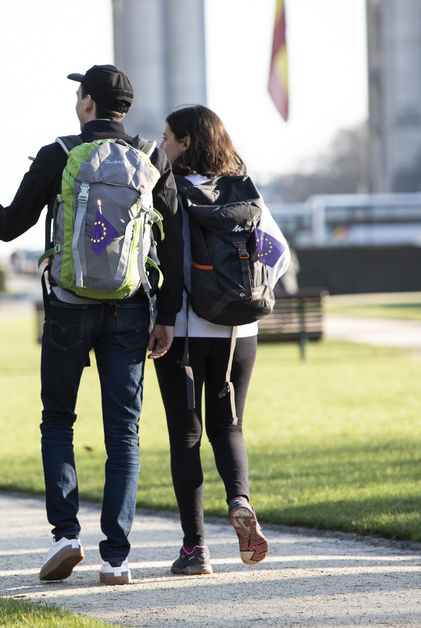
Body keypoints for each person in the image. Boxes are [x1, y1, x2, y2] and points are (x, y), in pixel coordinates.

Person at [0, 64, 183, 585]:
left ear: (87, 105)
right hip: (129, 308)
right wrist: (165, 317)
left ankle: (65, 536)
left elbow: (10, 225)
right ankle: (116, 559)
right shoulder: (152, 157)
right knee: (124, 431)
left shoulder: (58, 154)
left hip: (67, 304)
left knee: (58, 419)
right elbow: (172, 243)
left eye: (79, 94)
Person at [153, 105, 276, 574]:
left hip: (181, 330)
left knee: (186, 433)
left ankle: (195, 548)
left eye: (167, 138)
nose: (161, 146)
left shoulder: (168, 191)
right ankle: (240, 500)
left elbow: (155, 260)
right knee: (229, 425)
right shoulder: (245, 190)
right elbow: (276, 256)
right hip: (237, 330)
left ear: (185, 142)